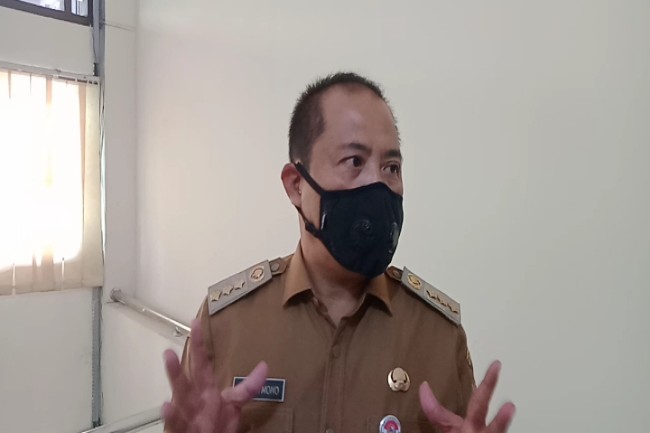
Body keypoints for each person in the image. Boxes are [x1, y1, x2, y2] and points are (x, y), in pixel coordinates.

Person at [161, 72, 516, 433]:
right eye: (354, 161)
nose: (377, 184)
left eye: (391, 168)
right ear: (296, 185)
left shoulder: (438, 336)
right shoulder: (227, 326)